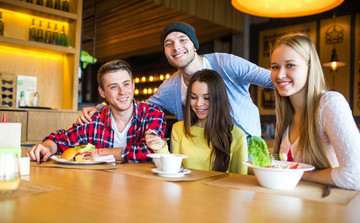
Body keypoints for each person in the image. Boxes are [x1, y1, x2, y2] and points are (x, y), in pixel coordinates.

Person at [77, 22, 273, 140]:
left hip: (247, 143)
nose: (176, 47)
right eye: (168, 44)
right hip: (203, 152)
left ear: (194, 45)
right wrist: (100, 109)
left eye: (182, 40)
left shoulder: (226, 63)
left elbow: (271, 79)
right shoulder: (170, 87)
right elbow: (138, 108)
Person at [27, 59, 166, 164]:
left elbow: (150, 150)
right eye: (113, 87)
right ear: (102, 92)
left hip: (143, 189)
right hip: (100, 190)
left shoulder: (153, 114)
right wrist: (46, 147)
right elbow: (60, 140)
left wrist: (101, 153)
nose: (122, 92)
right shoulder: (94, 119)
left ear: (133, 85)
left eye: (126, 84)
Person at [270, 33, 360, 191]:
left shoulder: (330, 103)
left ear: (310, 68)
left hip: (331, 208)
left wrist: (304, 174)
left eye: (290, 65)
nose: (280, 74)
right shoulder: (286, 115)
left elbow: (355, 175)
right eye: (275, 67)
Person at [145, 70, 248, 174]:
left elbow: (240, 181)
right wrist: (160, 148)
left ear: (219, 99)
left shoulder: (237, 135)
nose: (199, 104)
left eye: (206, 98)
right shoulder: (179, 129)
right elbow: (174, 172)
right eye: (193, 97)